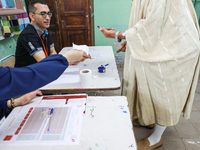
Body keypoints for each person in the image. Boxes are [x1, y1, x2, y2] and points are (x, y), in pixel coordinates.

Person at [99, 0, 200, 149]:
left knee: (164, 92)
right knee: (145, 81)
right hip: (164, 41)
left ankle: (156, 137)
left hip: (177, 49)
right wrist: (134, 40)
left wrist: (118, 34)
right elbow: (157, 21)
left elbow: (152, 22)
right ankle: (149, 118)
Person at [0, 49, 91, 119]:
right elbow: (29, 76)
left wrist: (12, 103)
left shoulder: (45, 33)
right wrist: (64, 59)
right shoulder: (29, 35)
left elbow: (52, 52)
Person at [15, 0, 71, 67]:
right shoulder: (28, 34)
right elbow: (43, 62)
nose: (47, 18)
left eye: (48, 14)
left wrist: (64, 61)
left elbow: (52, 52)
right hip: (26, 74)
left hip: (39, 69)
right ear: (32, 16)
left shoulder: (44, 31)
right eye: (43, 14)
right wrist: (66, 59)